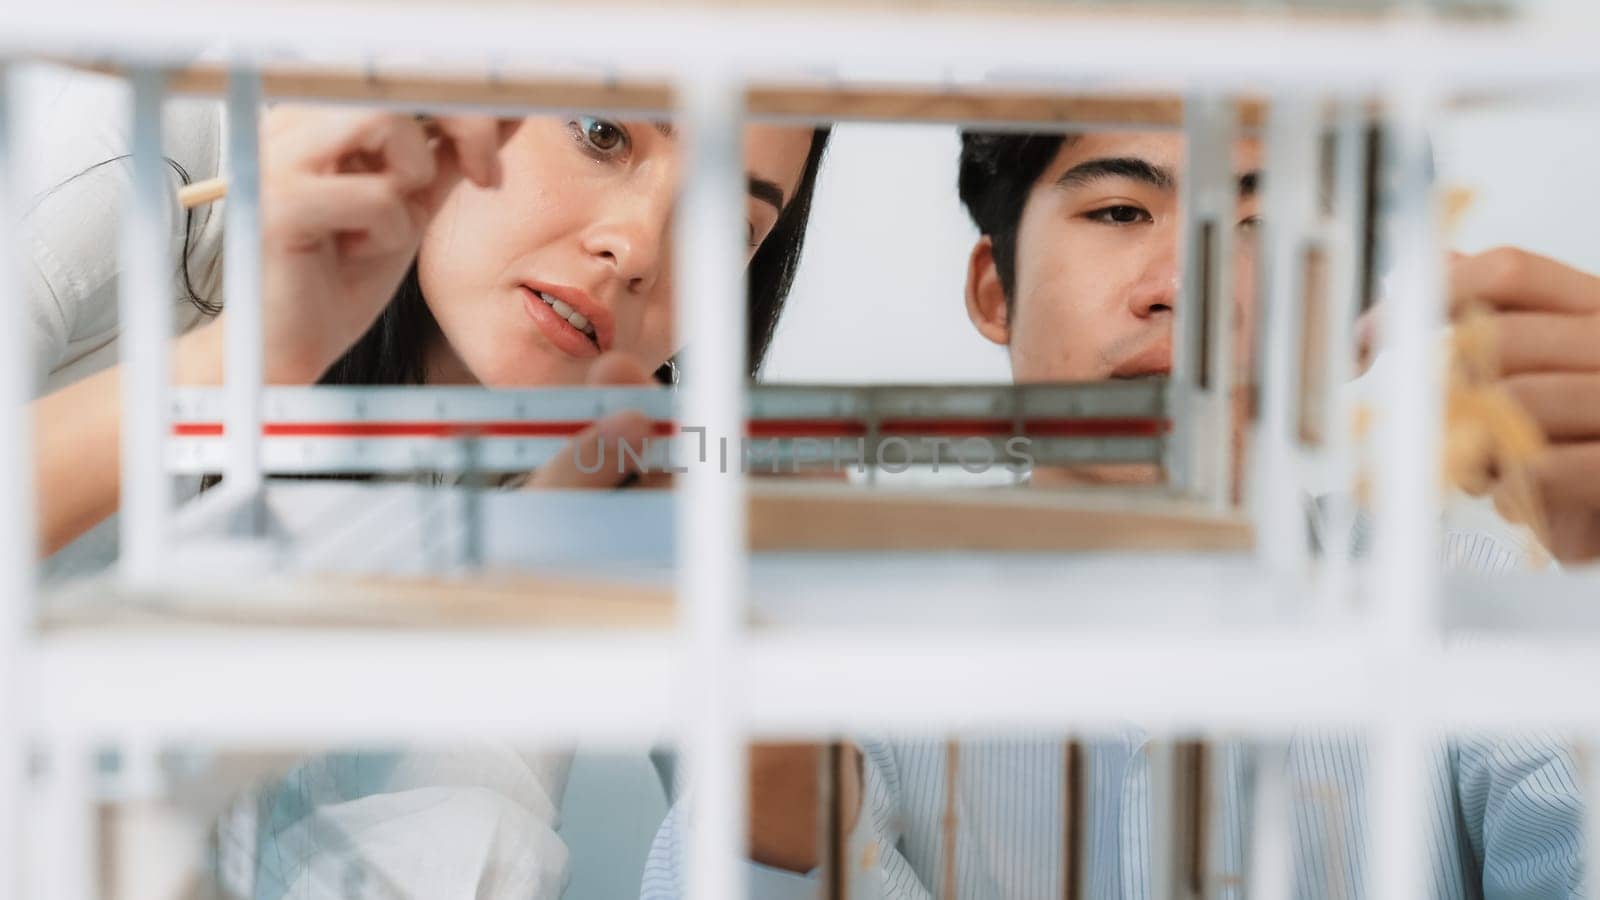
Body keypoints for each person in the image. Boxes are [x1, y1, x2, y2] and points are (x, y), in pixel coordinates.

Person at [638, 127, 1586, 899]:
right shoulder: (827, 645)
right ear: (994, 289)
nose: (1184, 284)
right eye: (1121, 210)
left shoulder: (1486, 604)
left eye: (1260, 223)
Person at [16, 68, 830, 897]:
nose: (640, 250)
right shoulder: (159, 151)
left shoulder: (612, 461)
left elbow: (785, 861)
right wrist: (247, 356)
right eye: (601, 132)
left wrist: (763, 627)